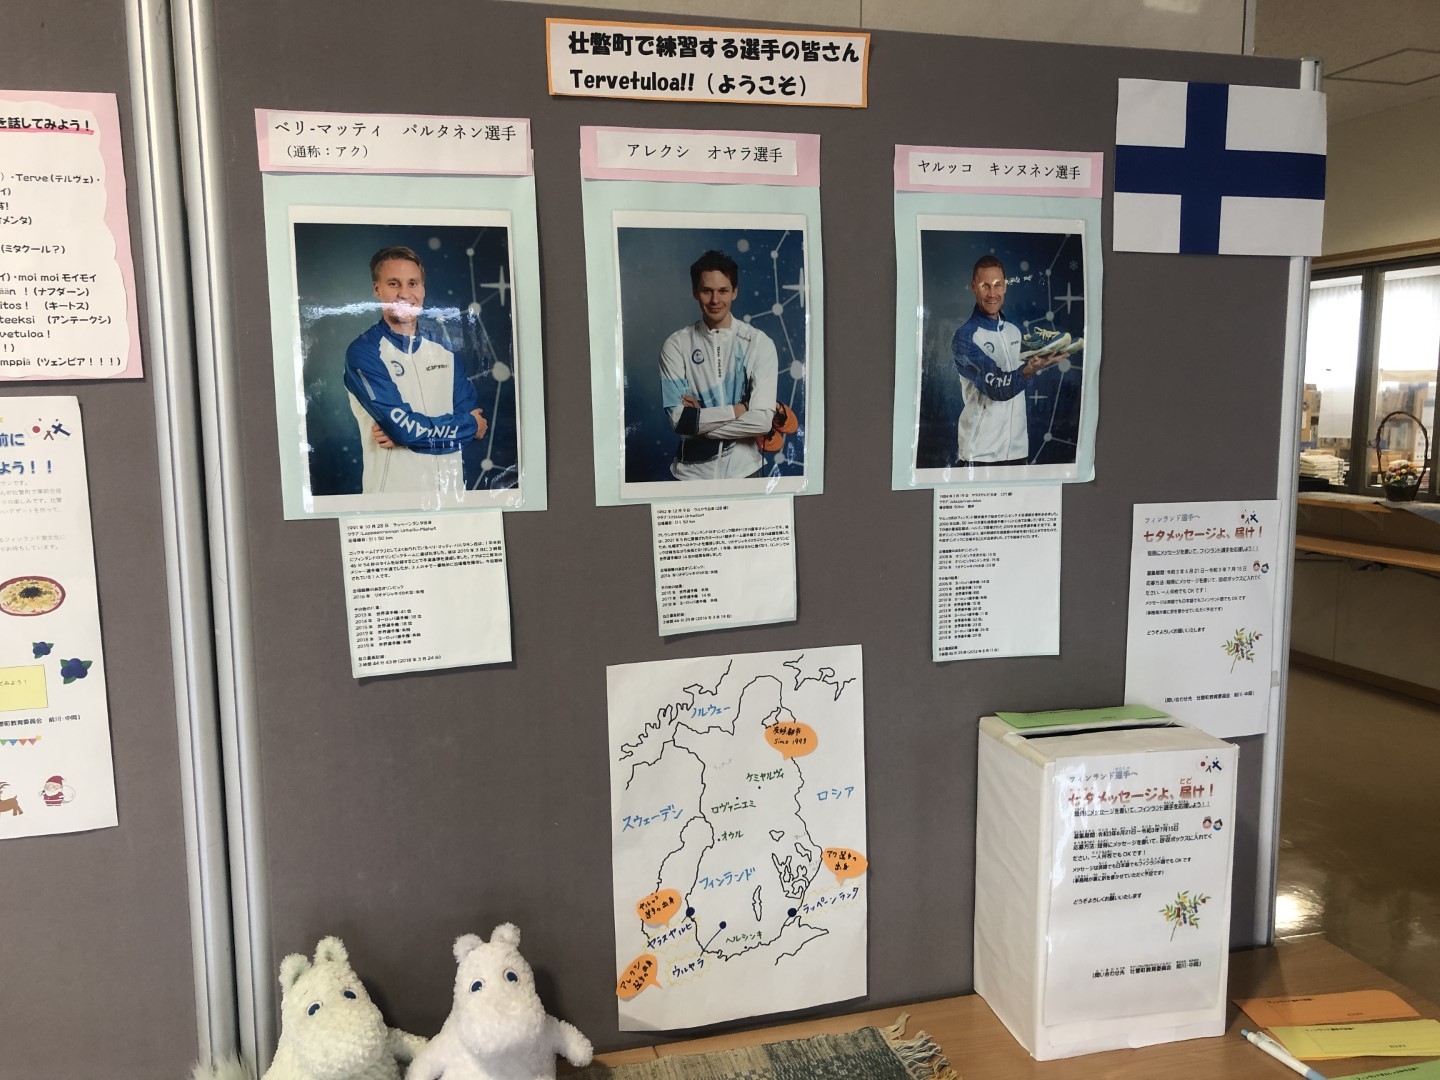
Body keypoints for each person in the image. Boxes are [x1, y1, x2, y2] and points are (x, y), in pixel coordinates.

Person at [342, 245, 487, 495]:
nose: (405, 293)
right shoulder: (363, 353)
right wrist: (467, 427)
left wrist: (405, 436)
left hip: (450, 500)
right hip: (391, 502)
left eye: (413, 283)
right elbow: (408, 429)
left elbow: (474, 421)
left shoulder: (446, 352)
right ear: (377, 289)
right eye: (394, 284)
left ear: (423, 289)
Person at [659, 250, 779, 481]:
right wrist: (738, 410)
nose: (715, 300)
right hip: (690, 475)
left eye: (723, 290)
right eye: (707, 291)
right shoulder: (676, 345)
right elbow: (680, 420)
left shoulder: (758, 343)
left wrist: (699, 425)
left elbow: (762, 422)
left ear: (735, 292)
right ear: (695, 291)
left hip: (745, 471)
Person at [950, 255, 1065, 466]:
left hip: (1018, 451)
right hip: (980, 454)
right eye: (985, 286)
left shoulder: (1014, 331)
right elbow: (996, 387)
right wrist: (1029, 371)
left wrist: (1040, 359)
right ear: (974, 287)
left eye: (997, 285)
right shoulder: (965, 337)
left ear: (1005, 287)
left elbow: (1018, 380)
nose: (992, 293)